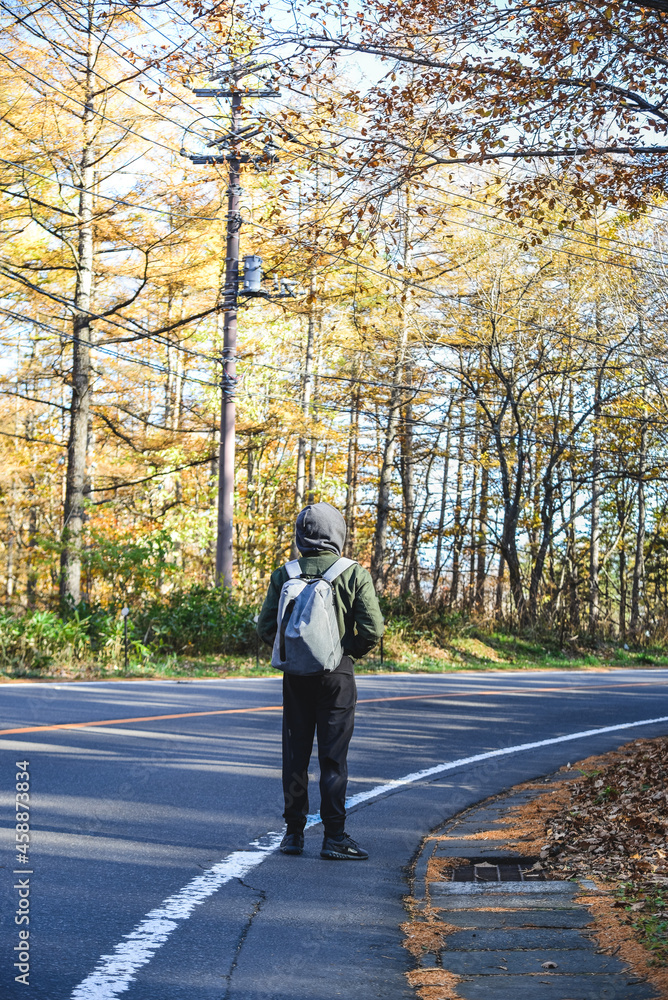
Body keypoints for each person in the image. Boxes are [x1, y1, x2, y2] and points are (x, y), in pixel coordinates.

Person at [257, 501, 384, 860]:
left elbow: (265, 627)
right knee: (333, 758)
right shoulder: (352, 572)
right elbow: (373, 628)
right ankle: (334, 837)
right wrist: (348, 650)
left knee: (295, 756)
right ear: (337, 534)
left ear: (301, 535)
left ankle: (293, 835)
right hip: (337, 675)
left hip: (296, 676)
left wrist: (295, 651)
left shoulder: (285, 573)